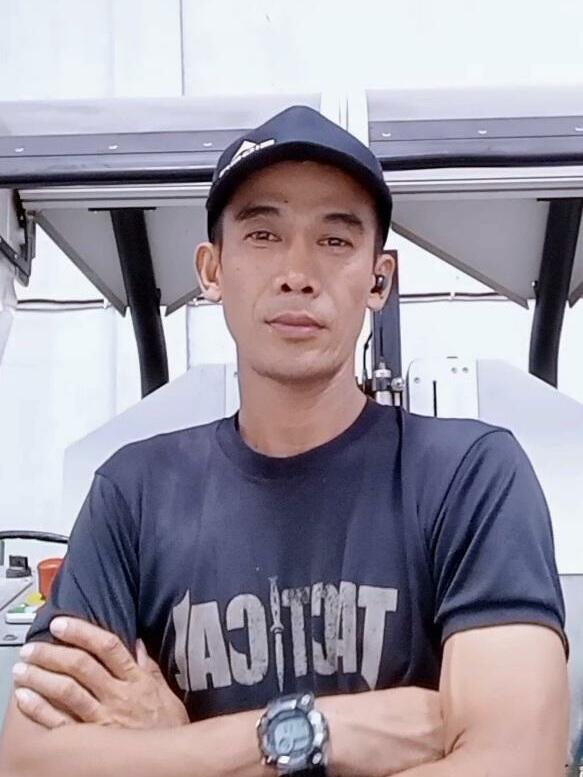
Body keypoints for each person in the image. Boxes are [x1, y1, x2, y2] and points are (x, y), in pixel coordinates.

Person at [0, 105, 569, 777]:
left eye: (335, 240)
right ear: (212, 269)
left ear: (379, 278)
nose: (297, 271)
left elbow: (516, 761)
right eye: (263, 234)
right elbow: (31, 763)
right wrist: (303, 732)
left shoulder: (470, 478)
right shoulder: (135, 494)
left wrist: (174, 747)